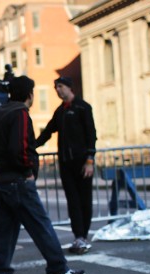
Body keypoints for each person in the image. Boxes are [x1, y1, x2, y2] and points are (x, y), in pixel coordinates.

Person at [0, 75, 85, 274]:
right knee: (41, 226)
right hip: (18, 180)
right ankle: (59, 271)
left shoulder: (3, 112)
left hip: (4, 180)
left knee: (5, 230)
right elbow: (20, 149)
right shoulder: (20, 114)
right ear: (30, 95)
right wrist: (28, 170)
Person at [36, 76, 97, 254]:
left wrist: (90, 160)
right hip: (65, 163)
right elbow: (47, 131)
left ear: (69, 88)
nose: (58, 90)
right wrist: (31, 145)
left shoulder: (83, 108)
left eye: (60, 87)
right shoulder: (60, 111)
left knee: (85, 200)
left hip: (83, 162)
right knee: (73, 201)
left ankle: (83, 235)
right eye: (56, 88)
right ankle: (78, 236)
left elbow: (91, 134)